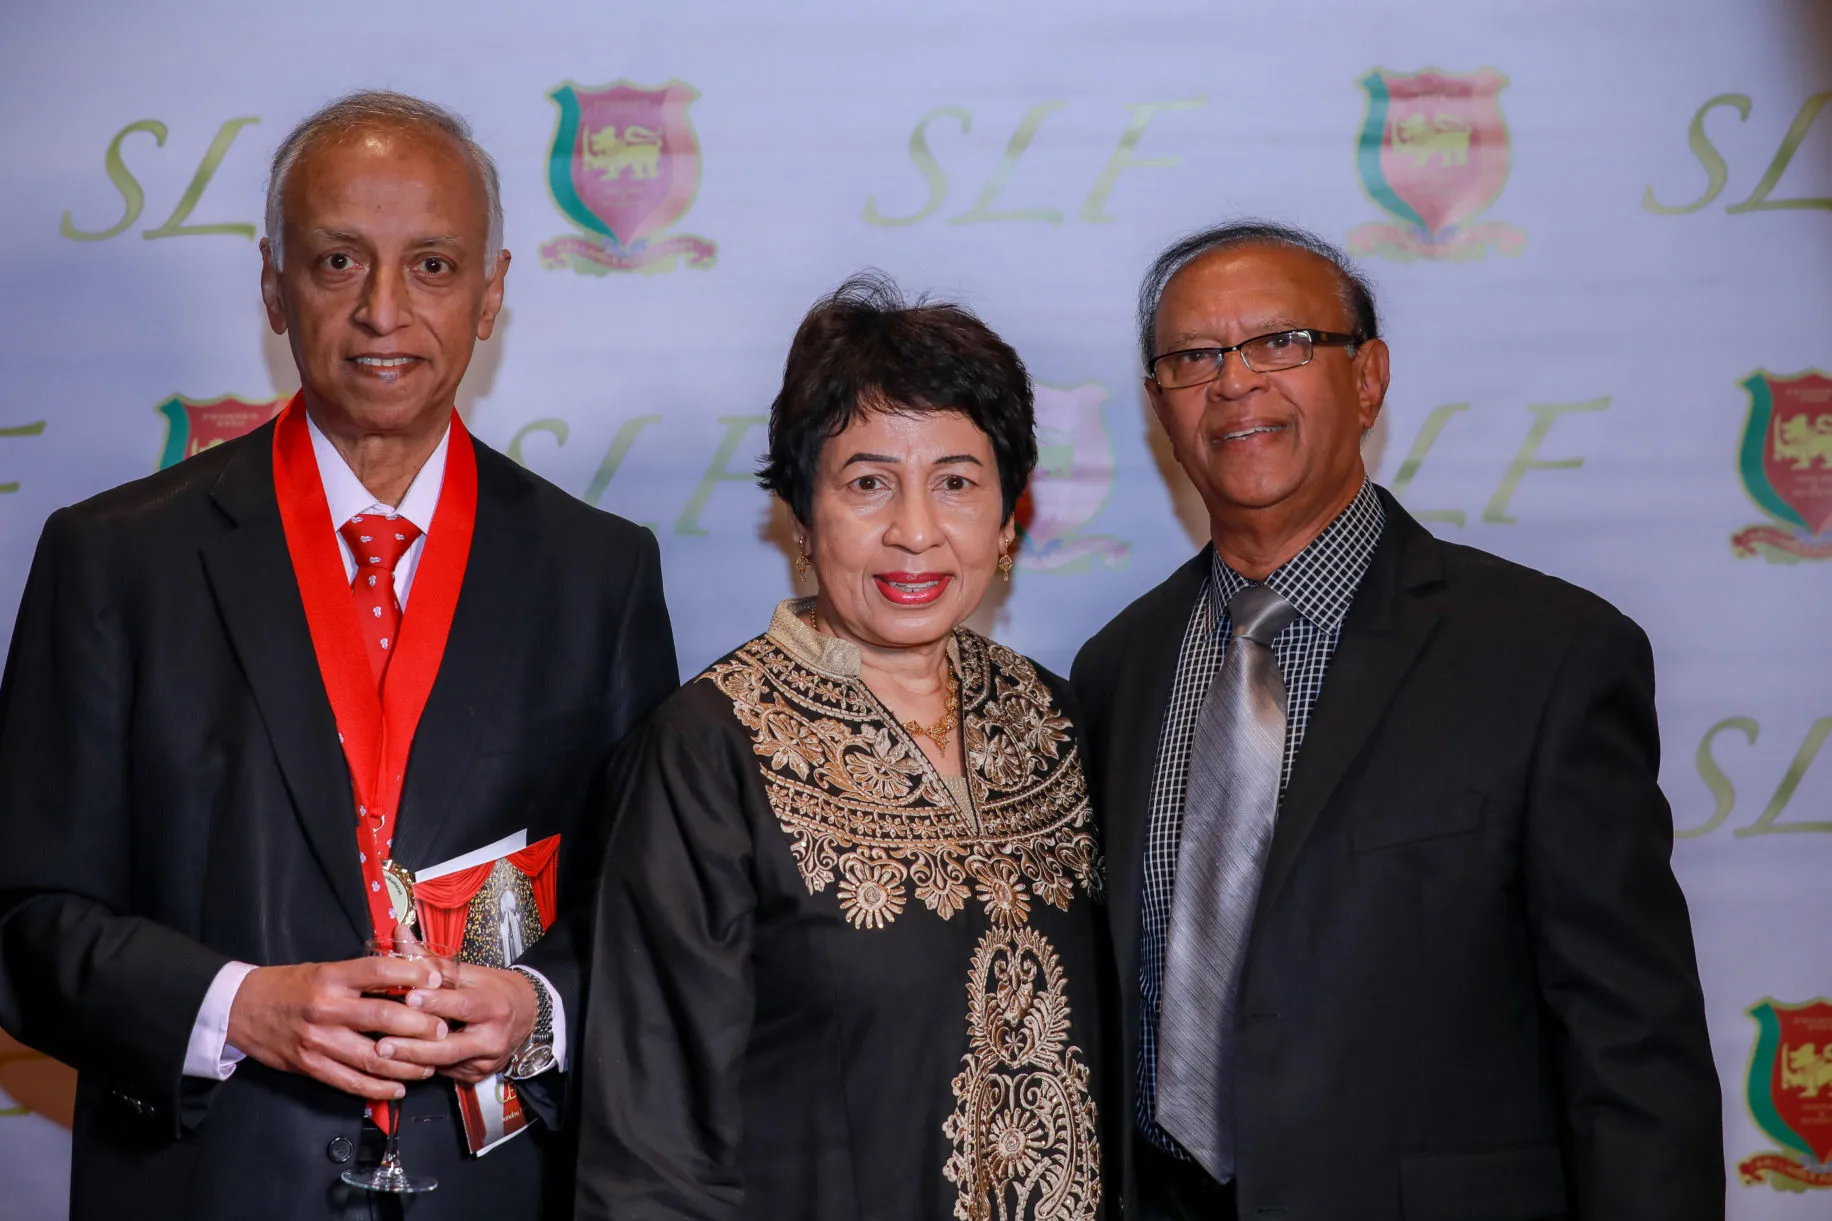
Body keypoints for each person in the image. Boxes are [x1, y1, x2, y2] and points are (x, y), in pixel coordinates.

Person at [0, 91, 677, 1220]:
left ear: (492, 292)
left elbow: (647, 914)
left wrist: (535, 1010)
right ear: (274, 286)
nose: (382, 311)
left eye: (432, 266)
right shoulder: (113, 560)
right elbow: (25, 915)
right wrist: (237, 1006)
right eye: (337, 262)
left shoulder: (598, 574)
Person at [1071, 221, 1723, 1220]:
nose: (1234, 381)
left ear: (1367, 378)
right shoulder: (1117, 669)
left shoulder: (1545, 656)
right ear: (1160, 405)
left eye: (1280, 342)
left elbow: (1631, 1050)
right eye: (1193, 357)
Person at [575, 275, 1107, 1221]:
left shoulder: (1057, 721)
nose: (915, 531)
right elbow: (654, 1142)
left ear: (1008, 517)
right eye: (869, 483)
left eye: (956, 482)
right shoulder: (706, 752)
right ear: (801, 517)